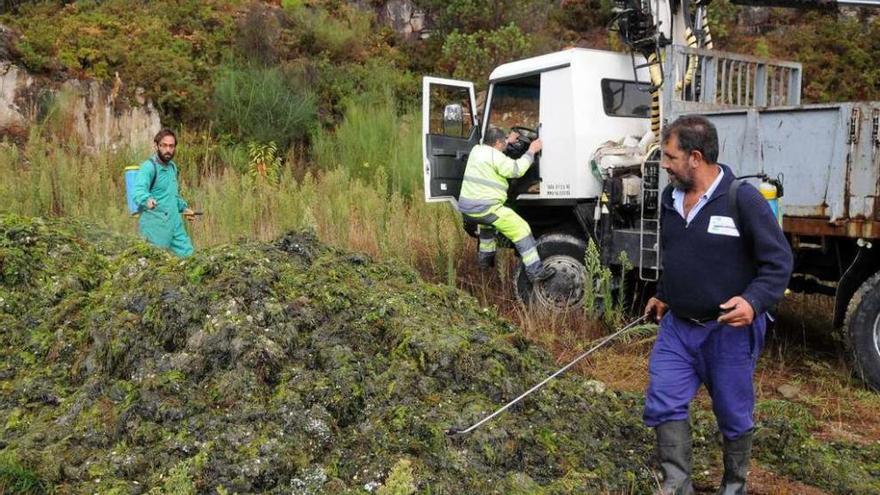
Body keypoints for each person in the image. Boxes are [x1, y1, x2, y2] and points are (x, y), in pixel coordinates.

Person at [642, 115, 793, 495]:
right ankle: (677, 485)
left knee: (733, 414)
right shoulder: (669, 198)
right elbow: (678, 254)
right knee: (663, 397)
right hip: (678, 328)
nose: (664, 164)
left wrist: (754, 302)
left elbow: (779, 263)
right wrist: (665, 291)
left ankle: (734, 486)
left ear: (695, 157)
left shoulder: (741, 199)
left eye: (669, 156)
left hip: (728, 332)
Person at [457, 126, 555, 283]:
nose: (505, 144)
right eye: (503, 142)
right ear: (497, 143)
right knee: (521, 229)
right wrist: (531, 150)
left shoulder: (477, 150)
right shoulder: (497, 157)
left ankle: (484, 266)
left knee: (487, 229)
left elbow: (494, 151)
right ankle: (535, 272)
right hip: (486, 208)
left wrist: (508, 141)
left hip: (468, 209)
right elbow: (516, 170)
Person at [132, 128, 196, 257]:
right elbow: (138, 191)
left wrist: (184, 208)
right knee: (155, 264)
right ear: (156, 146)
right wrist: (147, 200)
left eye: (171, 146)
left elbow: (171, 195)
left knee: (190, 258)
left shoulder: (172, 167)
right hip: (155, 226)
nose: (168, 150)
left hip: (175, 225)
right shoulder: (149, 167)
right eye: (164, 145)